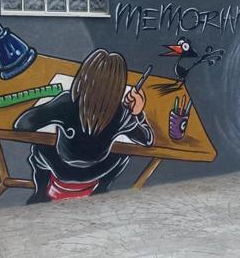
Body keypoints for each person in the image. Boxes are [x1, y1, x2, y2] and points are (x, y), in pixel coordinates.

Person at [14, 49, 154, 203]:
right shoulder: (122, 113)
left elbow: (22, 124)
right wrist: (138, 113)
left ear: (83, 76)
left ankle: (40, 193)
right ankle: (102, 190)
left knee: (38, 147)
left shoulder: (66, 102)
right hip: (97, 170)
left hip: (61, 168)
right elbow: (147, 139)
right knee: (123, 155)